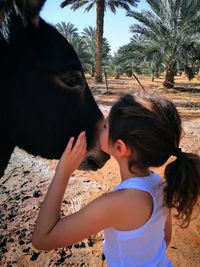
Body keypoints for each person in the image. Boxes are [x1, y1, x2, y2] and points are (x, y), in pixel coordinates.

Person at [32, 93, 200, 267]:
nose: (100, 128)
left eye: (105, 126)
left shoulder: (116, 204)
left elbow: (42, 239)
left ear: (119, 148)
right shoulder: (160, 185)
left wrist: (63, 171)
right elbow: (164, 239)